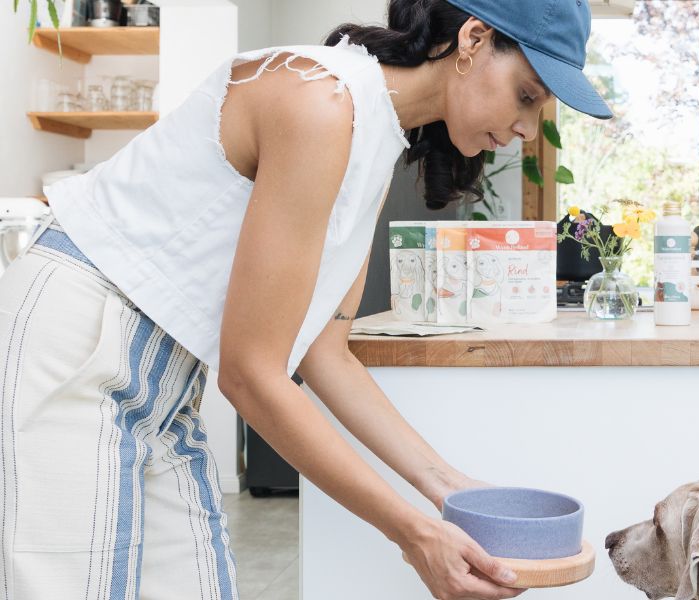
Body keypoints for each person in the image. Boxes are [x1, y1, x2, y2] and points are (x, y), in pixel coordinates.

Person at [0, 0, 611, 598]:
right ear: (473, 40)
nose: (528, 129)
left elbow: (326, 353)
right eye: (526, 96)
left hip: (168, 380)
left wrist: (450, 488)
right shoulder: (320, 101)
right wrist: (414, 532)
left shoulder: (376, 136)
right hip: (77, 344)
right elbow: (251, 374)